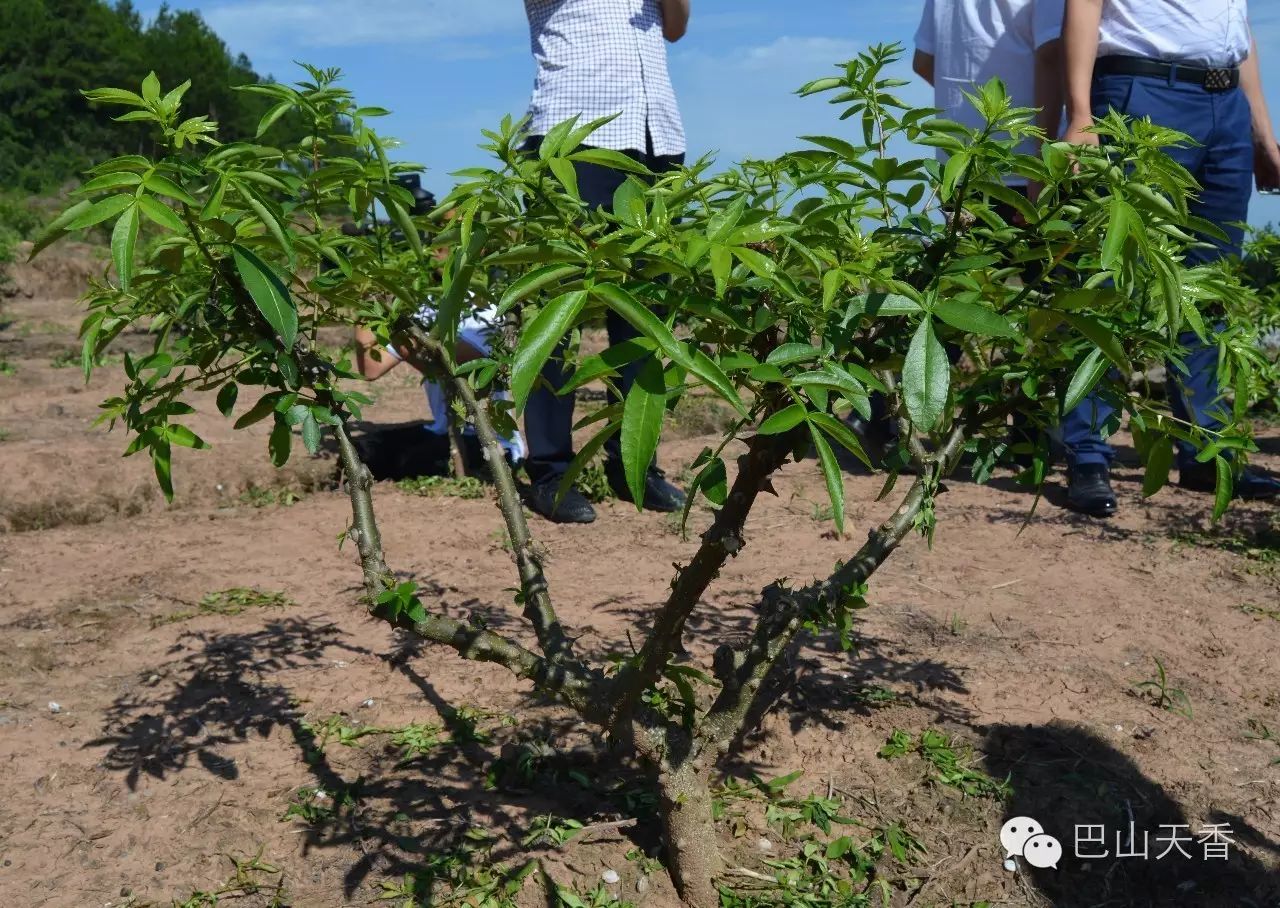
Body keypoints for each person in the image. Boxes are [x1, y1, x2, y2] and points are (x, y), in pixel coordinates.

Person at [1059, 0, 1280, 516]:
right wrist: (1081, 114)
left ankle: (1205, 449)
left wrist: (1262, 132)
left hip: (1225, 104)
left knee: (1208, 286)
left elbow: (1236, 33)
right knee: (1108, 280)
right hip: (1143, 93)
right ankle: (1087, 453)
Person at [519, 0, 691, 524]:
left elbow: (677, 27)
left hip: (655, 132)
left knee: (643, 310)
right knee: (559, 308)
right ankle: (550, 471)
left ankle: (634, 464)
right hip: (573, 136)